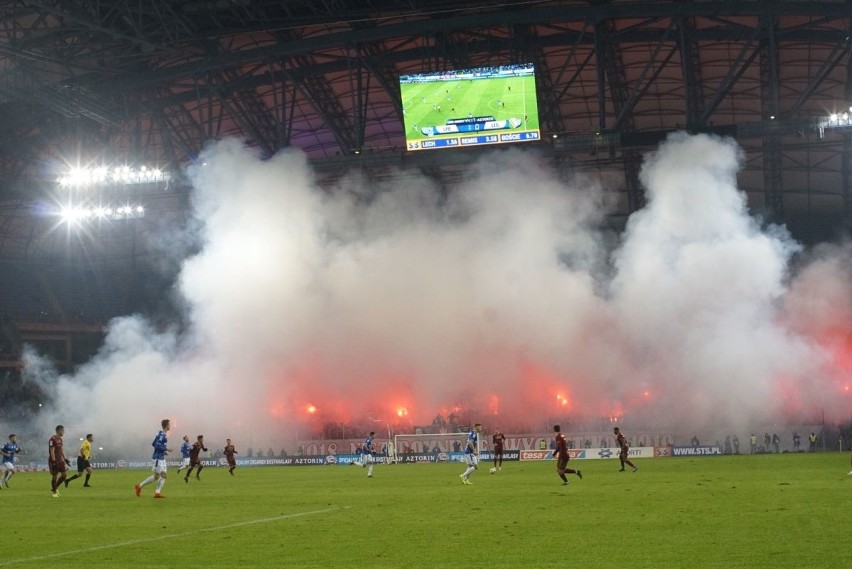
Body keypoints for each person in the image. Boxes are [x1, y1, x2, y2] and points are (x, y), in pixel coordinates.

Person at [135, 418, 171, 498]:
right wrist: (166, 449)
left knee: (158, 476)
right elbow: (157, 445)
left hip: (160, 457)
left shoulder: (159, 433)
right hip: (158, 458)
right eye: (169, 424)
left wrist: (163, 452)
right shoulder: (162, 435)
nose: (170, 426)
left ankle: (140, 487)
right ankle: (156, 493)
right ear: (166, 425)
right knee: (161, 475)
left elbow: (153, 444)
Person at [49, 425, 70, 497]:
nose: (64, 432)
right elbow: (52, 451)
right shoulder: (52, 439)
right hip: (54, 460)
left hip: (60, 459)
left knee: (64, 475)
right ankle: (54, 492)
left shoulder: (60, 439)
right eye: (63, 430)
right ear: (59, 431)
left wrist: (65, 459)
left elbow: (61, 450)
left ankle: (55, 488)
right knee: (55, 476)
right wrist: (54, 461)